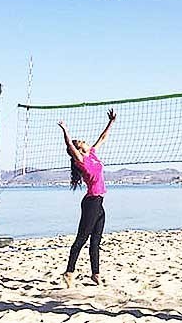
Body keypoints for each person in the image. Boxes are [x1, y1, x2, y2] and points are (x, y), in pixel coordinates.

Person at [58, 109, 116, 288]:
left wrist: (111, 122)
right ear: (78, 149)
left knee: (96, 241)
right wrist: (64, 129)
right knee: (81, 239)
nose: (85, 142)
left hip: (99, 203)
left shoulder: (91, 154)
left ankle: (95, 274)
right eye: (81, 142)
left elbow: (103, 138)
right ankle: (69, 272)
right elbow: (69, 145)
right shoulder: (81, 160)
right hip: (91, 203)